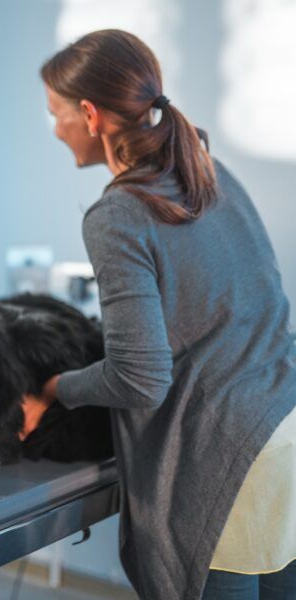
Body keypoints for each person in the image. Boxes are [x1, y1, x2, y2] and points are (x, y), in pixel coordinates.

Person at [24, 29, 295, 600]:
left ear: (91, 116)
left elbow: (139, 377)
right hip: (283, 426)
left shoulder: (117, 214)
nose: (55, 129)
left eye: (56, 114)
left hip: (227, 459)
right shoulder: (207, 171)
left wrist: (57, 387)